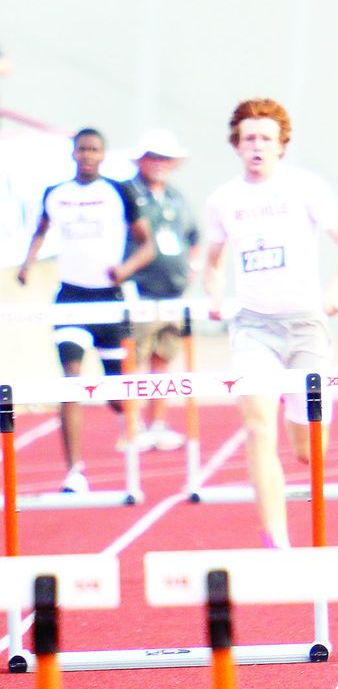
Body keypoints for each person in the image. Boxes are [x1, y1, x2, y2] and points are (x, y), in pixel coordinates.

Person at [203, 98, 338, 549]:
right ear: (236, 145)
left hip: (306, 325)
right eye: (249, 138)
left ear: (281, 146)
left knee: (308, 450)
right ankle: (275, 536)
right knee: (256, 428)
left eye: (266, 139)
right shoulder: (222, 200)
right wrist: (215, 296)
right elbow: (213, 263)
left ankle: (300, 468)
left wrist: (336, 291)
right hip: (253, 327)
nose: (257, 146)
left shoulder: (305, 188)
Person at [16, 128, 156, 492]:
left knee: (116, 396)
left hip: (109, 301)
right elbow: (40, 230)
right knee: (72, 383)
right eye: (82, 149)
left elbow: (147, 246)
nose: (88, 155)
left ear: (103, 155)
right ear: (74, 154)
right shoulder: (56, 194)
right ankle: (75, 472)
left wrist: (124, 270)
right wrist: (27, 263)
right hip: (71, 300)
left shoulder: (118, 192)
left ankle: (133, 421)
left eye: (94, 150)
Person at [124, 129, 199, 451]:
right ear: (141, 159)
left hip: (173, 292)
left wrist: (190, 270)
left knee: (163, 358)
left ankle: (157, 423)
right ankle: (133, 425)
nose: (159, 163)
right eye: (153, 156)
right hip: (139, 289)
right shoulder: (128, 193)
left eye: (165, 158)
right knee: (135, 359)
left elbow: (193, 238)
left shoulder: (176, 197)